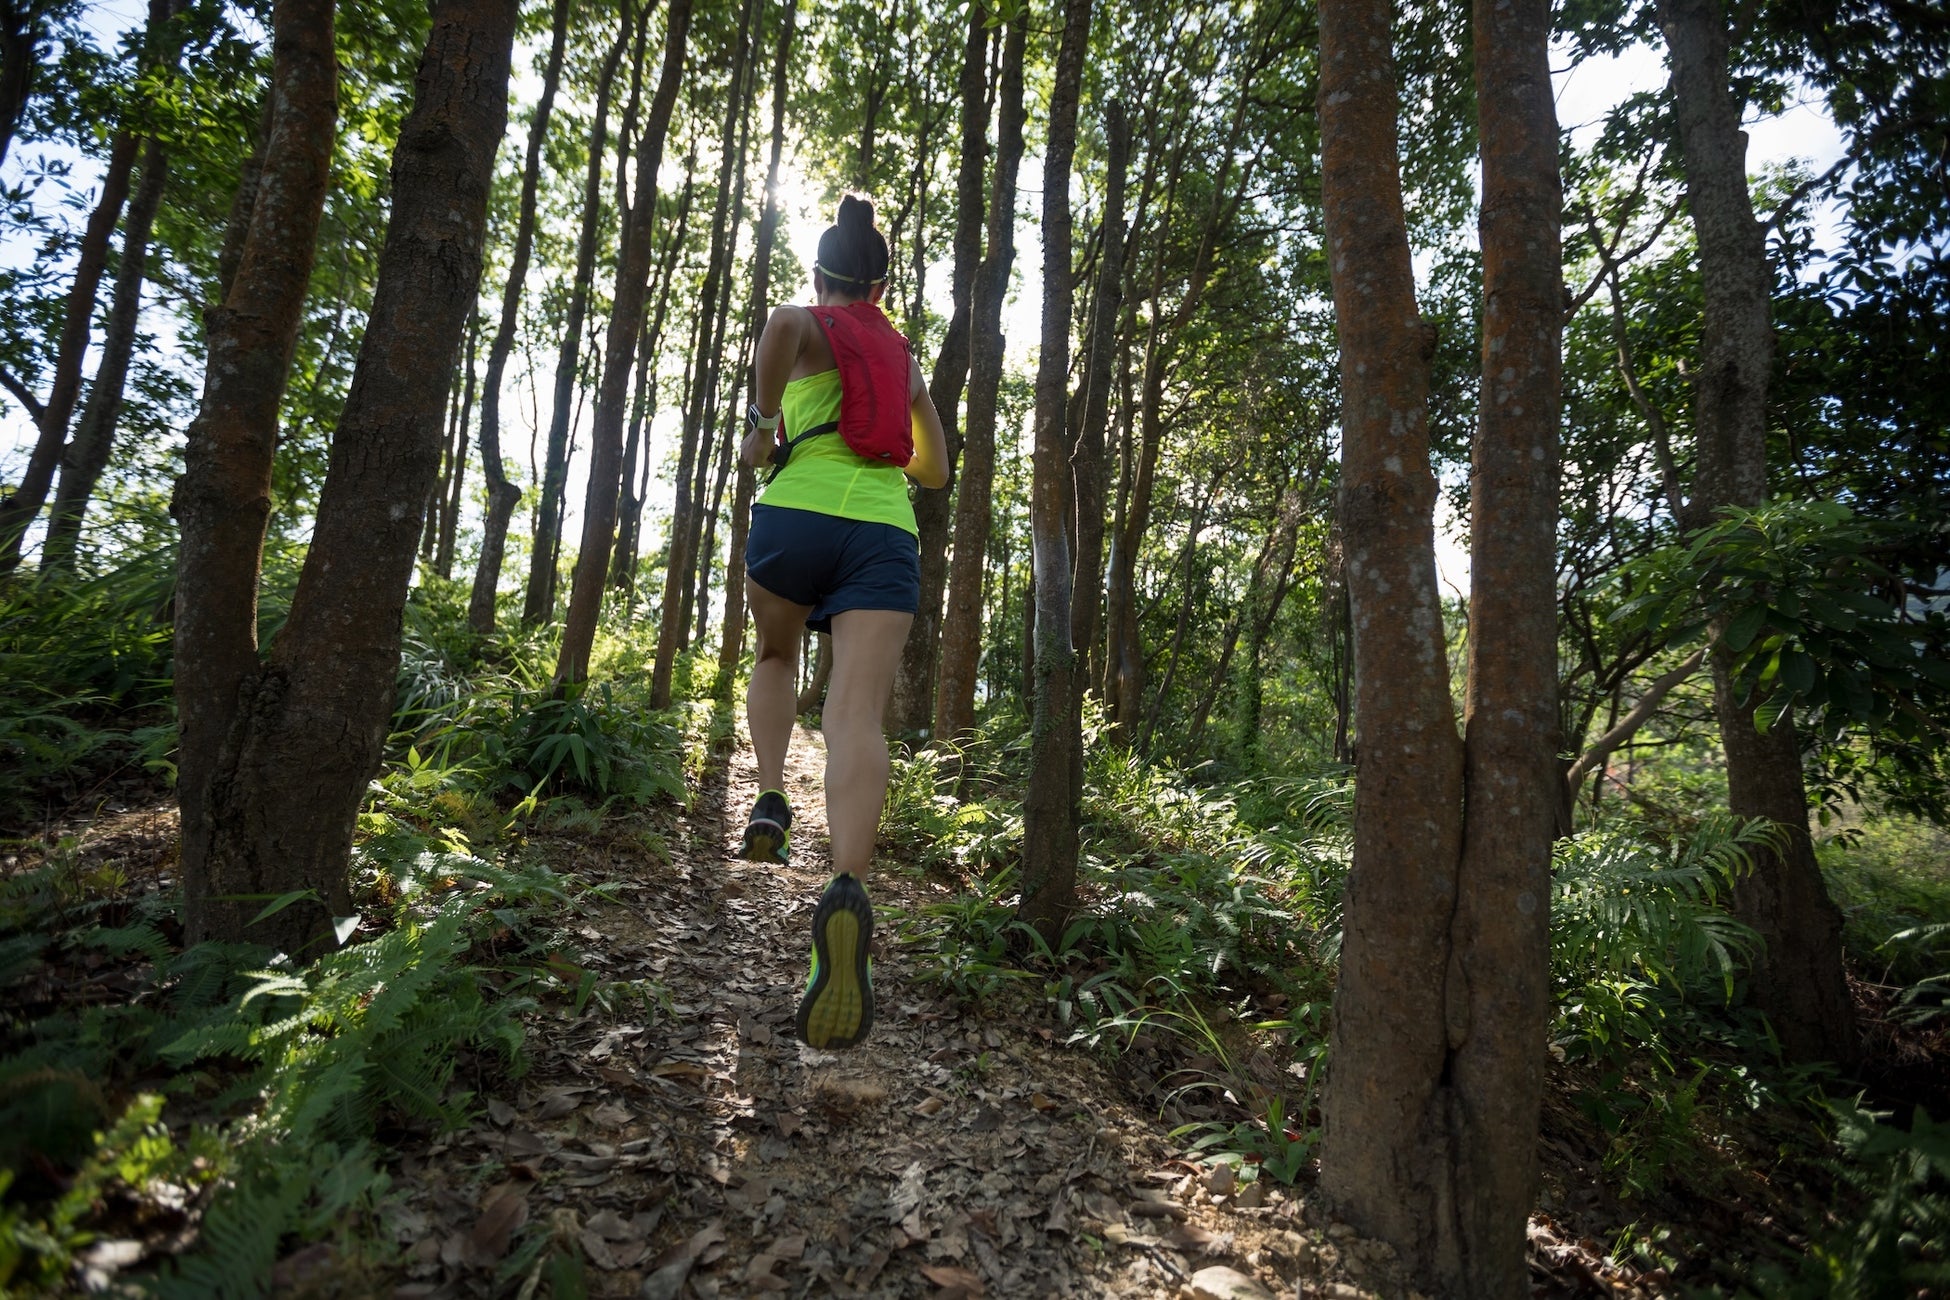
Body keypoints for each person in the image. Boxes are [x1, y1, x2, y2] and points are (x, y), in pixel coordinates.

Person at [737, 195, 949, 1050]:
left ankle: (771, 797)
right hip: (884, 529)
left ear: (824, 275)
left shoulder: (810, 323)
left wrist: (763, 428)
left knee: (777, 653)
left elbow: (783, 324)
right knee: (857, 712)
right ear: (883, 285)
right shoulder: (901, 358)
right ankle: (848, 888)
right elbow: (933, 472)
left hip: (796, 514)